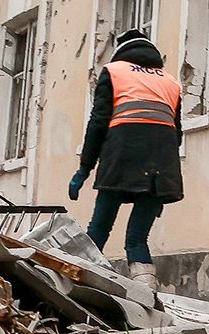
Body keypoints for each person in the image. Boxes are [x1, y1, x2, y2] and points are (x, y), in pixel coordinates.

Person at [68, 29, 183, 287]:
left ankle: (75, 289)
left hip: (120, 162)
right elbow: (176, 135)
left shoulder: (114, 72)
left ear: (122, 52)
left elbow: (98, 123)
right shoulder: (171, 82)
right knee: (137, 239)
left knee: (98, 230)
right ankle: (148, 300)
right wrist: (161, 185)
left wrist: (83, 170)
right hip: (161, 171)